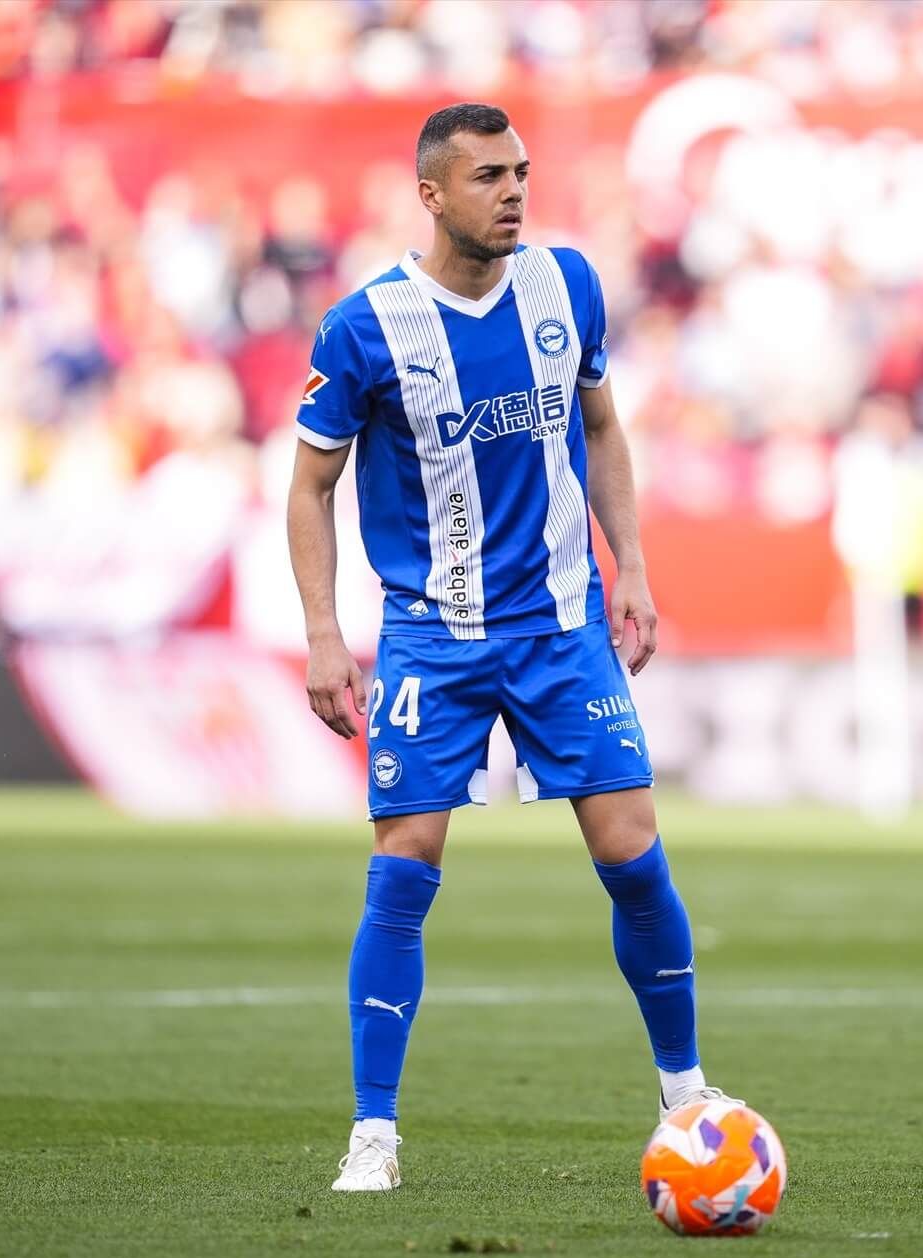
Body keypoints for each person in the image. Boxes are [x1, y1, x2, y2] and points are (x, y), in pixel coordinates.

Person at [286, 102, 734, 1193]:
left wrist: (632, 563)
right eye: (489, 176)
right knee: (404, 869)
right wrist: (323, 633)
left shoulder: (568, 285)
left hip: (563, 623)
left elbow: (604, 425)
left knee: (633, 851)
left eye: (522, 172)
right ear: (433, 195)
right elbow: (310, 484)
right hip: (433, 636)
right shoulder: (366, 327)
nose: (515, 192)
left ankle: (688, 1094)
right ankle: (374, 1134)